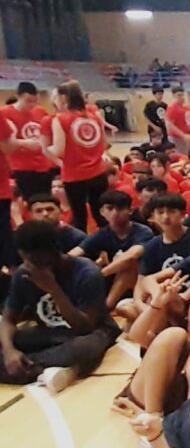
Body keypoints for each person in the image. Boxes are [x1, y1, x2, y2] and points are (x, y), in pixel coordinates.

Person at [0, 221, 121, 390]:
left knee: (84, 347)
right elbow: (8, 319)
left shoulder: (87, 273)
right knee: (6, 339)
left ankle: (26, 368)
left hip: (93, 332)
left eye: (38, 259)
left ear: (56, 250)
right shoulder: (23, 273)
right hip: (51, 334)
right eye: (27, 258)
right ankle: (40, 369)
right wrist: (9, 351)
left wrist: (53, 289)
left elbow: (85, 327)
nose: (32, 265)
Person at [69, 190, 154, 311]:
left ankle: (105, 308)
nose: (115, 213)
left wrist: (99, 274)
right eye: (110, 208)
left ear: (130, 211)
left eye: (120, 209)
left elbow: (132, 255)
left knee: (128, 267)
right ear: (102, 212)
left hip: (141, 281)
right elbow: (74, 254)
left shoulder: (143, 231)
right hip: (111, 278)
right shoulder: (102, 234)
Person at [50, 80, 108, 231]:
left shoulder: (60, 119)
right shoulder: (94, 117)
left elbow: (58, 150)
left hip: (74, 176)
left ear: (63, 98)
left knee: (79, 218)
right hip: (99, 173)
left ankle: (82, 245)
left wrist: (44, 148)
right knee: (102, 216)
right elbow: (104, 144)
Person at [4, 81, 57, 200]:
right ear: (18, 96)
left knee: (45, 200)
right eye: (28, 101)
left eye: (34, 101)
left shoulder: (40, 111)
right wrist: (23, 143)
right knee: (26, 201)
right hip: (20, 167)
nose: (32, 105)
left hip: (43, 166)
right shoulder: (5, 113)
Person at [165, 86, 190, 156]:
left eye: (183, 95)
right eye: (179, 95)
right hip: (178, 137)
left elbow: (188, 121)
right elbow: (169, 125)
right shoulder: (172, 108)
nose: (182, 97)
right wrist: (183, 135)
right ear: (174, 96)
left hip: (189, 135)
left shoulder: (186, 107)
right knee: (183, 156)